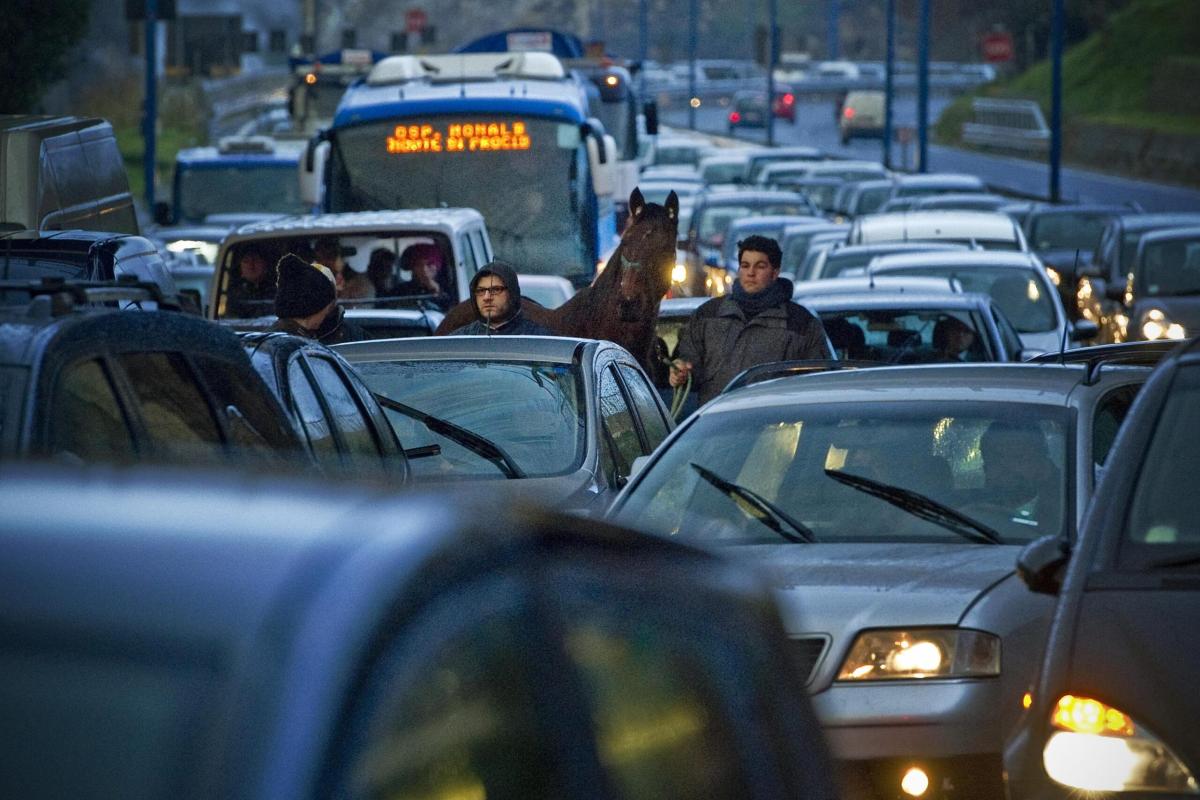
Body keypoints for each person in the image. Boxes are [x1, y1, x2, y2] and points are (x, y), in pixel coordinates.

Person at [671, 234, 830, 405]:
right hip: (716, 424)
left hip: (775, 425)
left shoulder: (801, 323)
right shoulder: (708, 315)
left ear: (775, 272)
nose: (751, 273)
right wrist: (680, 372)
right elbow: (689, 363)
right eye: (745, 266)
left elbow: (817, 383)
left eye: (760, 266)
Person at [270, 253, 366, 345]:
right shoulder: (288, 344)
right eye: (325, 308)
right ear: (313, 308)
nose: (325, 314)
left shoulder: (281, 338)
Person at [450, 260, 554, 336]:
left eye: (495, 290)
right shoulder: (459, 341)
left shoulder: (538, 339)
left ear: (512, 293)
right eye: (481, 291)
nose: (486, 297)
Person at [393, 243, 454, 311]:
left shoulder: (449, 290)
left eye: (429, 264)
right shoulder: (400, 291)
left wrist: (437, 292)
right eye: (419, 265)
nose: (424, 269)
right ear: (413, 268)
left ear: (437, 266)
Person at [314, 236, 374, 301]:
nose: (324, 262)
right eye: (319, 259)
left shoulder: (361, 283)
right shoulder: (313, 284)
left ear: (341, 258)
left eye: (329, 257)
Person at [225, 245, 275, 317]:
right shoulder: (235, 294)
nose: (251, 265)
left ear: (265, 265)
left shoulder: (277, 290)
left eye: (256, 260)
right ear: (241, 269)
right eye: (246, 261)